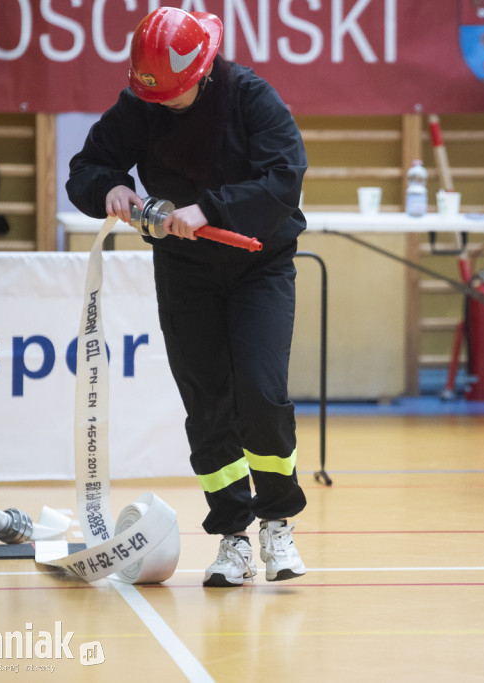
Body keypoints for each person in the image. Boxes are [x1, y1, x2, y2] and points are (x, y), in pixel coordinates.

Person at [67, 8, 309, 585]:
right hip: (185, 272)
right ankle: (232, 537)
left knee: (261, 393)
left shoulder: (252, 98)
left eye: (173, 93)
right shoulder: (143, 102)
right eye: (153, 94)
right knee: (207, 403)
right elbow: (86, 167)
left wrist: (210, 210)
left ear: (203, 70)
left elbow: (284, 179)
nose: (163, 103)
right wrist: (110, 186)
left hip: (259, 266)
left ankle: (277, 522)